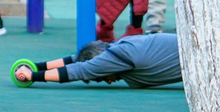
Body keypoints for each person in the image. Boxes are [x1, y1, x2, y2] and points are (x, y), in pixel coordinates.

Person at [12, 34, 182, 88]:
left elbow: (79, 70)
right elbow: (75, 60)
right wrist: (38, 66)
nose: (108, 82)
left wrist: (33, 76)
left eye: (100, 77)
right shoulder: (116, 47)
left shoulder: (119, 55)